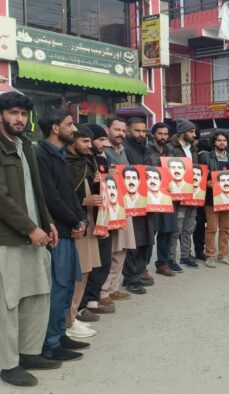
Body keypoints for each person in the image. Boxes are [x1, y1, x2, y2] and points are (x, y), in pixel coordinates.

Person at [0, 92, 61, 387]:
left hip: (35, 234)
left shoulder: (25, 145)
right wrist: (29, 228)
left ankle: (28, 352)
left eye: (23, 114)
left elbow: (36, 190)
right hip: (9, 239)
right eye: (13, 113)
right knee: (8, 303)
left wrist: (47, 222)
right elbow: (1, 198)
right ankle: (7, 364)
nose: (19, 119)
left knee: (36, 294)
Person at [35, 108, 90, 362]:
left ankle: (61, 333)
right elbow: (51, 198)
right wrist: (74, 220)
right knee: (57, 291)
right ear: (56, 128)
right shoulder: (41, 155)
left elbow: (70, 195)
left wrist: (82, 220)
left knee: (67, 287)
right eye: (69, 124)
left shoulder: (61, 155)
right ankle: (50, 343)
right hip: (56, 233)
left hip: (70, 230)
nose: (74, 129)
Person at [63, 125, 103, 336]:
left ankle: (74, 315)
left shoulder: (85, 162)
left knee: (85, 270)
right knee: (76, 273)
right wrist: (84, 200)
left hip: (89, 220)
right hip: (74, 223)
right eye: (85, 141)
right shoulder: (65, 162)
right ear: (73, 141)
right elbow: (59, 196)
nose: (90, 145)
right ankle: (67, 322)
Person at [78, 123, 115, 317]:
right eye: (100, 139)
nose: (104, 143)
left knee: (104, 260)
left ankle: (93, 299)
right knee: (89, 263)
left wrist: (111, 179)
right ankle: (81, 305)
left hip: (104, 215)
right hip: (86, 217)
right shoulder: (79, 161)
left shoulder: (100, 159)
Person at [101, 117, 136, 300]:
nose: (120, 133)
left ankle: (113, 288)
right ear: (108, 129)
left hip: (124, 205)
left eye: (123, 130)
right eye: (117, 129)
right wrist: (107, 173)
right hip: (108, 206)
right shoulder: (101, 149)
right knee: (110, 249)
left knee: (122, 248)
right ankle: (103, 291)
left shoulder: (123, 151)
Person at [121, 117, 155, 295]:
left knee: (147, 241)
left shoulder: (147, 150)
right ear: (128, 130)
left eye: (143, 131)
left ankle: (139, 272)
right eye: (137, 131)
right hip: (130, 202)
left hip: (148, 202)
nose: (141, 134)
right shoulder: (124, 150)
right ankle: (131, 278)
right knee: (132, 243)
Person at [144, 123, 181, 277]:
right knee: (148, 234)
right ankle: (142, 267)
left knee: (166, 232)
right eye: (160, 133)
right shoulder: (145, 151)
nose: (163, 137)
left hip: (167, 197)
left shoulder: (171, 152)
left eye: (166, 134)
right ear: (153, 135)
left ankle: (162, 264)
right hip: (151, 197)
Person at [199, 132, 229, 268]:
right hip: (211, 199)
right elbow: (198, 176)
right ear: (214, 142)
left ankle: (224, 255)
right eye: (219, 140)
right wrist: (205, 183)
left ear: (227, 143)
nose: (222, 143)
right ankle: (210, 256)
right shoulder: (206, 157)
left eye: (224, 140)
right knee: (211, 228)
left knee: (225, 228)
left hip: (228, 198)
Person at [169, 118, 200, 269]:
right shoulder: (171, 148)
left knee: (189, 227)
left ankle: (185, 256)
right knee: (176, 228)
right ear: (182, 133)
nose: (194, 134)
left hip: (193, 194)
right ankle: (171, 259)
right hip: (178, 195)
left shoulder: (193, 149)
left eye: (194, 131)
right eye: (191, 131)